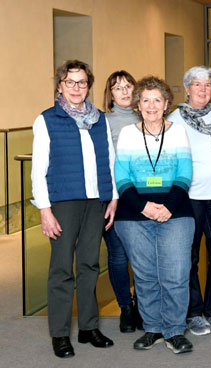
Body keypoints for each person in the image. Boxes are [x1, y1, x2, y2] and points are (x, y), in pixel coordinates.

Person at [32, 59, 117, 358]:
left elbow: (109, 159)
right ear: (60, 86)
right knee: (61, 269)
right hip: (63, 202)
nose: (77, 88)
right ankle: (59, 334)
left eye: (82, 82)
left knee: (90, 265)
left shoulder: (99, 119)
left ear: (88, 85)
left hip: (96, 202)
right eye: (70, 82)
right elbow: (38, 169)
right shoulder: (47, 120)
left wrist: (113, 197)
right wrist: (44, 210)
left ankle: (88, 328)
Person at [114, 76, 195, 354]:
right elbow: (121, 177)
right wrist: (143, 207)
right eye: (145, 99)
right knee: (145, 275)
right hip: (134, 215)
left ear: (166, 104)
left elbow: (184, 173)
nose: (151, 105)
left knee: (175, 273)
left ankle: (174, 330)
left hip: (176, 212)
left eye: (157, 100)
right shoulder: (127, 133)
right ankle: (153, 328)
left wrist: (168, 207)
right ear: (138, 104)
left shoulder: (178, 132)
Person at [167, 66, 211, 336]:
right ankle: (194, 312)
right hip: (190, 198)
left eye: (208, 85)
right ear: (187, 88)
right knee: (189, 257)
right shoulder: (175, 119)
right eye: (197, 85)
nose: (203, 90)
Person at [102, 70, 142, 333]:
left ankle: (142, 305)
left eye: (129, 86)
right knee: (118, 256)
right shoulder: (103, 121)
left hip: (144, 197)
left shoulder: (148, 114)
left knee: (142, 256)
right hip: (115, 197)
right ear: (110, 94)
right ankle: (125, 307)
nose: (125, 91)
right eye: (118, 88)